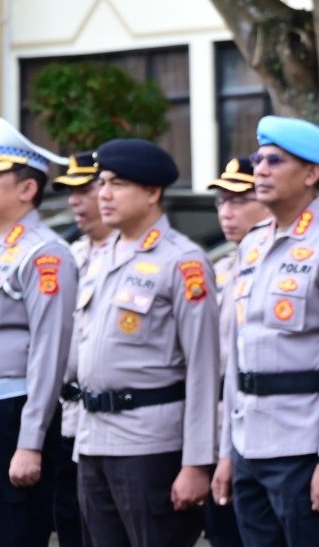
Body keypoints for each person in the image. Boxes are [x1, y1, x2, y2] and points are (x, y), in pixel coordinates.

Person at [212, 116, 319, 547]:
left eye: (274, 160)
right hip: (248, 445)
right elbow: (238, 355)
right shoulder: (253, 242)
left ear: (310, 173)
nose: (260, 169)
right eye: (258, 159)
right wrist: (227, 452)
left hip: (304, 448)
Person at [73, 139, 220, 547]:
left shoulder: (183, 261)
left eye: (117, 184)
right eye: (101, 183)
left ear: (153, 193)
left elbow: (204, 370)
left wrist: (196, 462)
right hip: (93, 439)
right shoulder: (100, 257)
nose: (103, 194)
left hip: (149, 445)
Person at [0, 116, 74, 547]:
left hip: (10, 416)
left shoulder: (45, 254)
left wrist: (30, 442)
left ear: (27, 189)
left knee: (12, 535)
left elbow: (50, 355)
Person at [205, 157, 266, 547]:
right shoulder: (223, 266)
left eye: (239, 201)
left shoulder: (279, 265)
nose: (227, 212)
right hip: (219, 419)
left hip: (266, 418)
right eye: (221, 202)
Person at [54, 151, 107, 547]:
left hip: (120, 422)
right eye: (71, 191)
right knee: (71, 526)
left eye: (84, 189)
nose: (75, 200)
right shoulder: (71, 256)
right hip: (69, 419)